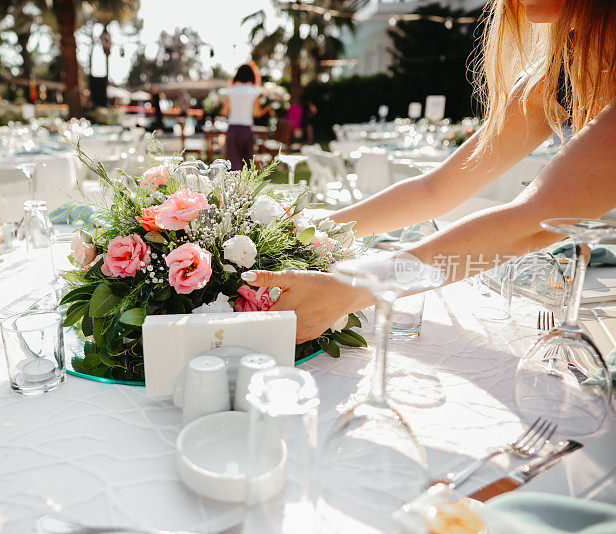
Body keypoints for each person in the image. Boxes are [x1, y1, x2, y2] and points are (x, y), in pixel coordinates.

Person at [241, 0, 616, 343]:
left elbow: (536, 221)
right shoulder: (559, 65)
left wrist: (348, 291)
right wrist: (310, 233)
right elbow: (435, 190)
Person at [221, 64, 265, 171]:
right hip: (247, 129)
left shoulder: (231, 91)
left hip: (233, 129)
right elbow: (257, 113)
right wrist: (268, 108)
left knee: (232, 164)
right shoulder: (254, 91)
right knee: (247, 163)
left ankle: (233, 187)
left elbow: (224, 112)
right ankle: (246, 187)